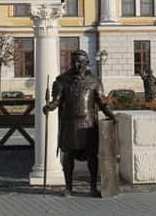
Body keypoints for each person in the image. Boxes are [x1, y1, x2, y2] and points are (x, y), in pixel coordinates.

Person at [43, 49, 116, 197]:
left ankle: (93, 187)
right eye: (74, 62)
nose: (76, 65)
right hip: (69, 124)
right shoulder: (62, 80)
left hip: (88, 124)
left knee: (91, 156)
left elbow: (102, 102)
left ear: (86, 63)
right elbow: (57, 101)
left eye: (80, 62)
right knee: (68, 156)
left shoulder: (94, 82)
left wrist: (112, 115)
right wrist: (49, 107)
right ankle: (68, 187)